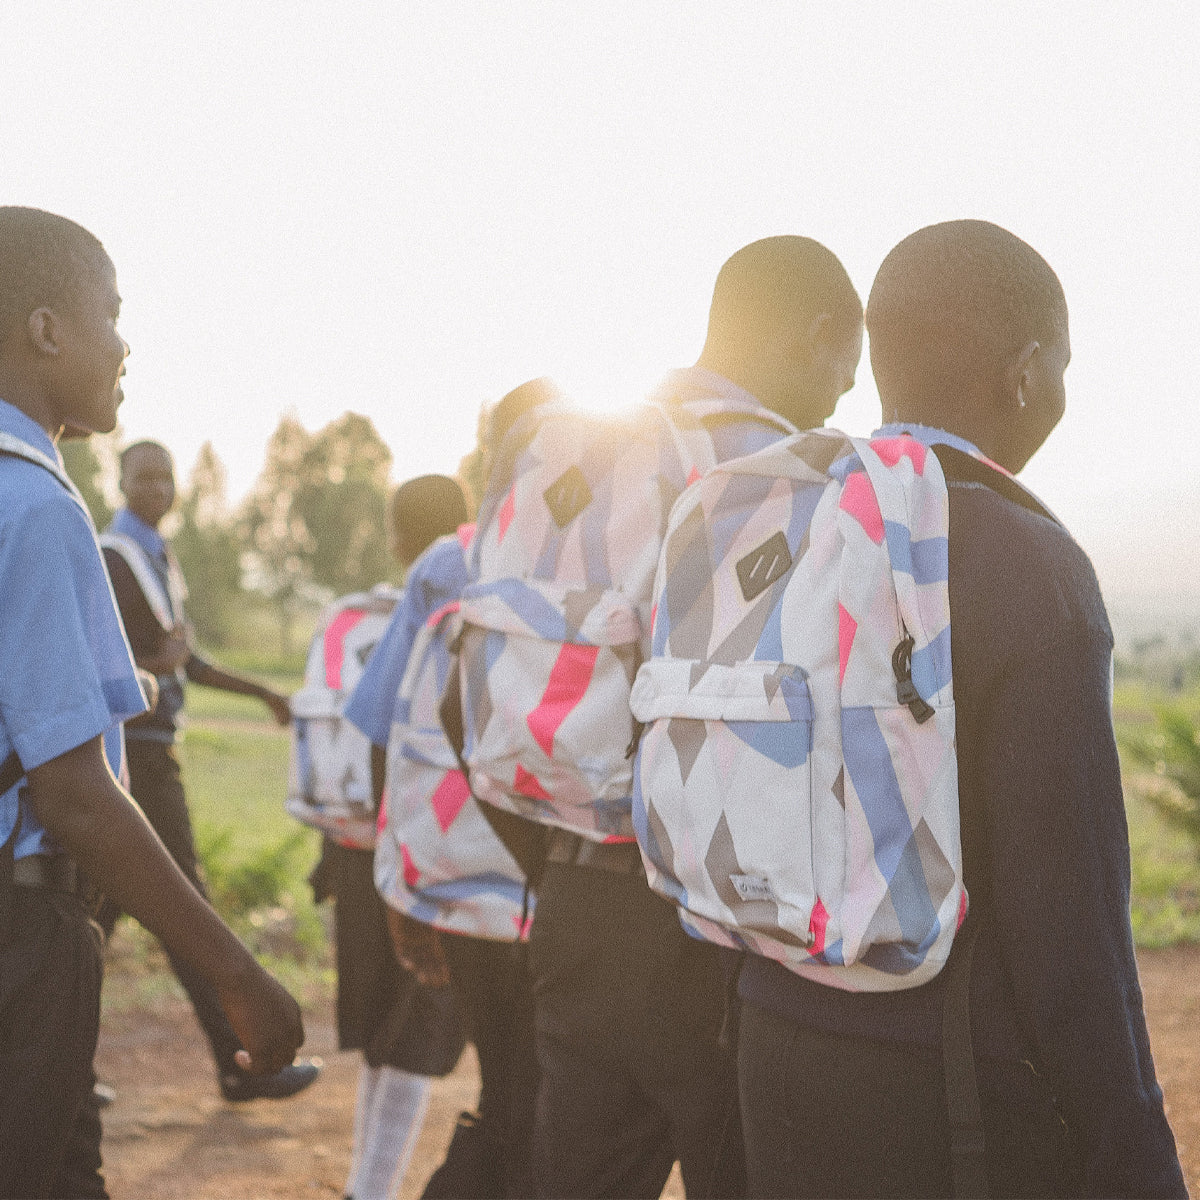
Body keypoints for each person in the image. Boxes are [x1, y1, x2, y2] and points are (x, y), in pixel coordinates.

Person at [735, 219, 1187, 1198]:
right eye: (1059, 368)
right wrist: (1137, 1158)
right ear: (1025, 372)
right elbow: (1072, 937)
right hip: (950, 1097)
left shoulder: (786, 521)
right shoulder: (1026, 562)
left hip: (774, 1048)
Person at [509, 240, 862, 1199]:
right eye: (847, 362)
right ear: (821, 335)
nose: (842, 391)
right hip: (714, 917)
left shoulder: (587, 445)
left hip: (574, 898)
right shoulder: (778, 469)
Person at [0, 205, 305, 1200]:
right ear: (47, 330)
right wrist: (238, 974)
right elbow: (77, 792)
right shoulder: (38, 506)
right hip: (20, 936)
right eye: (111, 314)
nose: (125, 344)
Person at [346, 389, 556, 1200]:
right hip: (576, 888)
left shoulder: (447, 564)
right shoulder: (627, 558)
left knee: (509, 1085)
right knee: (547, 1097)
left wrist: (402, 888)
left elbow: (383, 726)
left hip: (465, 884)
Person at [98, 438, 320, 1102]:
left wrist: (264, 694)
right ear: (120, 481)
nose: (158, 488)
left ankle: (64, 1068)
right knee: (180, 904)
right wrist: (157, 663)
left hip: (152, 751)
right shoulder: (115, 556)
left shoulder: (157, 557)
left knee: (103, 913)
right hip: (136, 758)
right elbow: (129, 657)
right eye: (145, 477)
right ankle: (238, 1062)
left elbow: (186, 660)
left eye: (166, 478)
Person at [310, 474, 472, 1200]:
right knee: (421, 1029)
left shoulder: (378, 612)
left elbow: (369, 733)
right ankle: (371, 1189)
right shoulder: (474, 589)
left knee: (388, 1029)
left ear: (397, 536)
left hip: (366, 848)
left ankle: (364, 1185)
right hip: (441, 856)